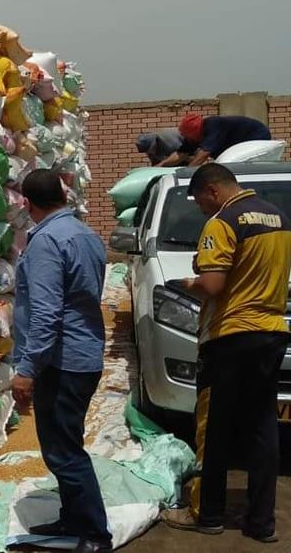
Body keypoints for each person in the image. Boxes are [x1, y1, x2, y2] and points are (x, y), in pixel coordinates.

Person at [161, 163, 291, 544]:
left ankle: (207, 514)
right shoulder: (279, 217)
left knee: (212, 427)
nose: (201, 207)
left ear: (213, 190)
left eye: (200, 199)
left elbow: (213, 285)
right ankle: (261, 522)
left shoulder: (222, 222)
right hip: (271, 332)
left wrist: (188, 282)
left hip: (230, 336)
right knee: (263, 428)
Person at [11, 169, 112, 553]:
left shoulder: (47, 242)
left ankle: (94, 536)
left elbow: (46, 314)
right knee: (66, 443)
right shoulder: (85, 234)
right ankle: (73, 518)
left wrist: (26, 369)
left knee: (63, 451)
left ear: (27, 203)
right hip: (83, 355)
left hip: (63, 362)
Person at [158, 113, 272, 167]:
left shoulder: (213, 125)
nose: (186, 138)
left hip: (256, 136)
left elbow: (203, 155)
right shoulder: (194, 138)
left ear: (194, 131)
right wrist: (161, 165)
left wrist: (187, 172)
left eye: (187, 135)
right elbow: (180, 154)